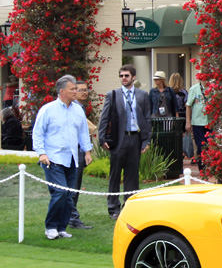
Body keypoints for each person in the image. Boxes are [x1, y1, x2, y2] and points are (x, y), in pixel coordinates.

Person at [32, 75, 92, 240]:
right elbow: (38, 133)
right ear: (62, 91)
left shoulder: (78, 109)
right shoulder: (48, 109)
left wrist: (87, 152)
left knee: (68, 195)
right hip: (53, 159)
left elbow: (83, 132)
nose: (76, 91)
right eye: (73, 89)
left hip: (72, 158)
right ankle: (50, 227)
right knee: (59, 192)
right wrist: (42, 153)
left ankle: (61, 227)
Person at [98, 64, 151, 220]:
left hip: (135, 138)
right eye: (121, 76)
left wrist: (146, 140)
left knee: (132, 175)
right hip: (119, 139)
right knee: (115, 174)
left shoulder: (142, 95)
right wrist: (102, 138)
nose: (124, 78)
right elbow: (104, 118)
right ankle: (113, 207)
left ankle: (130, 206)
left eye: (126, 75)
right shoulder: (113, 95)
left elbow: (147, 119)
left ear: (133, 77)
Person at [68, 80, 98, 230]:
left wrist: (87, 151)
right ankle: (72, 218)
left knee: (76, 185)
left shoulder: (80, 107)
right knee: (72, 186)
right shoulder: (73, 108)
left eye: (86, 90)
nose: (84, 92)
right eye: (80, 90)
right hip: (73, 152)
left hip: (80, 151)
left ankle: (70, 217)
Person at [184, 79, 209, 171]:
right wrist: (188, 121)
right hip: (198, 121)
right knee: (200, 145)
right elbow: (188, 106)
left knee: (209, 144)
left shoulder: (212, 89)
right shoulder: (194, 89)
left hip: (209, 121)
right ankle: (202, 168)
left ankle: (209, 166)